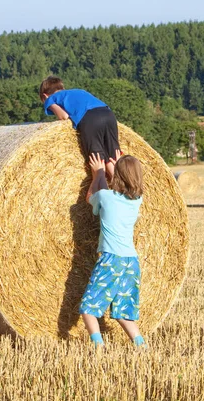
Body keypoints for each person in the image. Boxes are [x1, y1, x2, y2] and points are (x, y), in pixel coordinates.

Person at [79, 151, 146, 348]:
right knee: (124, 313)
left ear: (116, 175)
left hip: (111, 261)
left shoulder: (105, 198)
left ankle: (98, 348)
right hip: (131, 262)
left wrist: (98, 173)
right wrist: (115, 166)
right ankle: (141, 346)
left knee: (88, 308)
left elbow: (91, 196)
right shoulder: (137, 200)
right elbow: (123, 183)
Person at [39, 76, 120, 179]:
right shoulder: (77, 92)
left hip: (91, 119)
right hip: (108, 114)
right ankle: (122, 188)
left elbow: (64, 116)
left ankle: (101, 188)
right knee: (112, 157)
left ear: (44, 96)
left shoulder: (50, 99)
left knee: (98, 160)